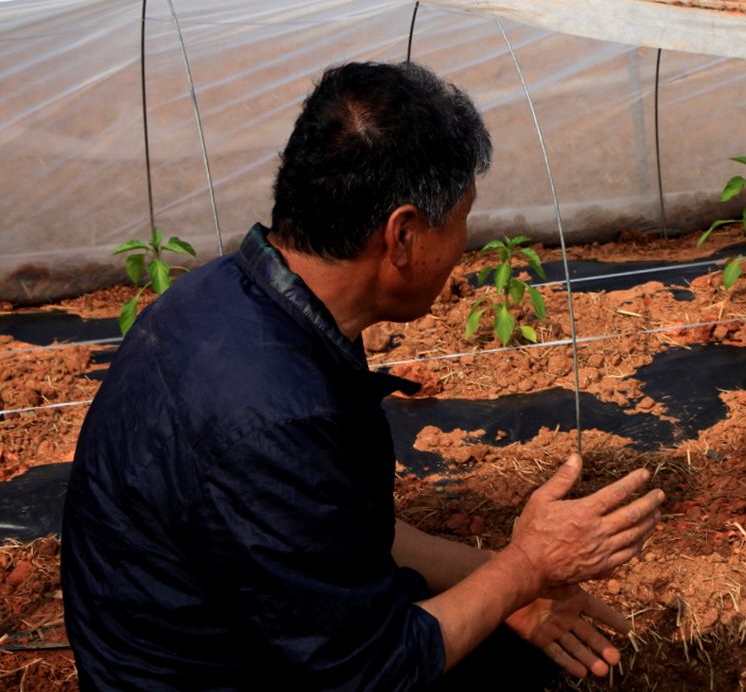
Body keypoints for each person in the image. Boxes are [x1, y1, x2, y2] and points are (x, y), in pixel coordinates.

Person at [63, 61, 664, 691]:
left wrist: (504, 578)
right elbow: (371, 672)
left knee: (512, 639)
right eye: (460, 217)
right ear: (402, 235)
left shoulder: (225, 296)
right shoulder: (273, 418)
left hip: (214, 643)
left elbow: (348, 536)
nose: (465, 242)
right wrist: (527, 564)